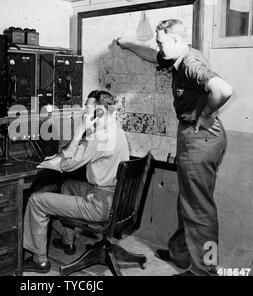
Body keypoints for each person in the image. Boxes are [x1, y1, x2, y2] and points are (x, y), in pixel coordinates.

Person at [116, 19, 232, 276]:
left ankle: (205, 270)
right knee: (189, 202)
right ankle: (181, 254)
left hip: (199, 137)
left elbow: (223, 90)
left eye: (161, 42)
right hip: (193, 135)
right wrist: (127, 44)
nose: (158, 47)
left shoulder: (190, 64)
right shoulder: (179, 55)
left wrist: (206, 115)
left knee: (200, 211)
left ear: (177, 40)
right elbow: (153, 56)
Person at [22, 90, 130, 273]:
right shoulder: (116, 130)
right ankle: (68, 241)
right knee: (67, 185)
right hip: (117, 200)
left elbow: (66, 165)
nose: (84, 112)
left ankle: (39, 259)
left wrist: (80, 130)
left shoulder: (99, 138)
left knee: (36, 200)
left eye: (88, 109)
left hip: (99, 205)